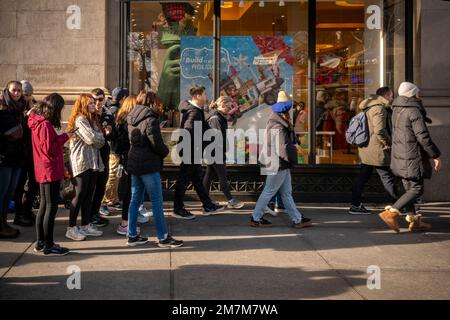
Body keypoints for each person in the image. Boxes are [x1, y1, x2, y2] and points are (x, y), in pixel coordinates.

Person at [379, 82, 441, 233]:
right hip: (412, 155)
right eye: (417, 93)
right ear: (412, 94)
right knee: (417, 189)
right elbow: (423, 136)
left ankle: (415, 221)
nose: (419, 95)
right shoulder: (413, 110)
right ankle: (391, 212)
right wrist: (435, 155)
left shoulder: (397, 109)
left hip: (401, 154)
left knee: (409, 189)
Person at [126, 91, 183, 247]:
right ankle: (163, 237)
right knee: (157, 202)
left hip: (135, 163)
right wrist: (166, 151)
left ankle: (131, 235)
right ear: (151, 103)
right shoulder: (151, 119)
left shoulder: (131, 117)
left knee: (134, 200)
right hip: (148, 165)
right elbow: (156, 143)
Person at [251, 91, 312, 228]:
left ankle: (297, 219)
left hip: (278, 162)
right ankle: (256, 217)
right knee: (269, 191)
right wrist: (292, 160)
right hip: (277, 162)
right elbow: (282, 148)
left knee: (285, 193)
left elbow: (286, 143)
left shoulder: (278, 121)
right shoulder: (278, 125)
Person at [28, 93, 71, 256]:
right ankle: (48, 244)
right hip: (49, 170)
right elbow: (50, 150)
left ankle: (41, 242)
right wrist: (66, 137)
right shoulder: (44, 124)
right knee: (50, 207)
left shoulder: (38, 122)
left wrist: (61, 137)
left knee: (44, 206)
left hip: (43, 168)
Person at [173, 86, 224, 219]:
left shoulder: (196, 110)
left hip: (193, 150)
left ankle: (207, 205)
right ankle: (178, 208)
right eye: (204, 94)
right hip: (190, 151)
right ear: (197, 96)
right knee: (184, 180)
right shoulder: (194, 112)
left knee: (197, 179)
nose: (206, 97)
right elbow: (189, 131)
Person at [349, 87, 400, 215]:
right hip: (377, 149)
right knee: (387, 177)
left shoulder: (369, 106)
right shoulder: (379, 108)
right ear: (386, 96)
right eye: (391, 96)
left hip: (367, 149)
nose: (393, 98)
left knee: (363, 177)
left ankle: (355, 205)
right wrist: (389, 143)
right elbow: (379, 130)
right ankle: (399, 205)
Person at [65, 94, 105, 241]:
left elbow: (101, 141)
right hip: (81, 161)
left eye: (94, 102)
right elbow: (92, 138)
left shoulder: (92, 120)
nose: (94, 105)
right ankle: (71, 227)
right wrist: (98, 137)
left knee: (89, 194)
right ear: (83, 104)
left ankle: (85, 224)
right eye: (90, 103)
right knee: (79, 194)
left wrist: (98, 137)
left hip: (93, 161)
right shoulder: (80, 119)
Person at [203, 96, 244, 209]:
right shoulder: (216, 118)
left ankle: (205, 200)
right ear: (224, 106)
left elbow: (230, 120)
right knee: (222, 176)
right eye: (229, 106)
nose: (229, 109)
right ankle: (230, 200)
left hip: (212, 151)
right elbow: (217, 136)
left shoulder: (218, 116)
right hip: (215, 151)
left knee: (209, 175)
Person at [113, 95, 145, 236]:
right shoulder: (127, 123)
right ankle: (125, 223)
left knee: (132, 192)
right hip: (129, 159)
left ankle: (129, 220)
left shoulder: (123, 121)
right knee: (130, 193)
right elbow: (121, 144)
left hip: (128, 159)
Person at [0, 81, 27, 239]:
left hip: (18, 157)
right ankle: (1, 225)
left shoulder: (21, 108)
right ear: (7, 91)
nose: (16, 93)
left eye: (19, 91)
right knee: (2, 192)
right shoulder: (2, 109)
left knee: (10, 191)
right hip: (5, 157)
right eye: (14, 90)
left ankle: (4, 222)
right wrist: (8, 136)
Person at [13, 80, 39, 227]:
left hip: (32, 151)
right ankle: (19, 214)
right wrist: (26, 117)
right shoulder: (15, 107)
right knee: (19, 185)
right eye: (25, 94)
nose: (27, 97)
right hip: (20, 152)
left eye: (29, 94)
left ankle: (27, 209)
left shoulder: (34, 104)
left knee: (34, 183)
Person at [90, 88, 115, 227]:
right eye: (95, 99)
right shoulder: (88, 113)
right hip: (91, 156)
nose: (98, 102)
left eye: (100, 99)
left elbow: (113, 134)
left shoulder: (108, 114)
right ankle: (89, 215)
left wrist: (110, 132)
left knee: (101, 187)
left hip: (104, 154)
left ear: (105, 99)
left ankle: (95, 213)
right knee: (91, 188)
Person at [102, 87, 129, 211]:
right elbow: (113, 133)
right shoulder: (114, 111)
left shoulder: (115, 109)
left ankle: (113, 199)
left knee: (117, 175)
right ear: (123, 98)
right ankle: (104, 202)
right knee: (112, 175)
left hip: (118, 150)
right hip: (114, 150)